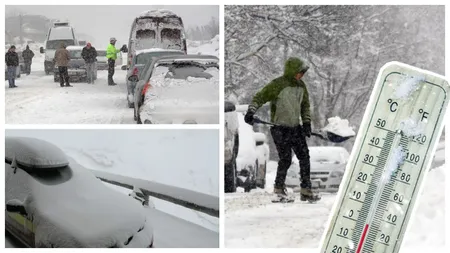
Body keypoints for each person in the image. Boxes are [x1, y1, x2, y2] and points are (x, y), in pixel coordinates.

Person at [244, 57, 320, 203]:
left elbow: (305, 106)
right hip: (280, 128)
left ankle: (306, 189)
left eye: (302, 73)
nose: (301, 76)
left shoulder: (301, 86)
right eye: (299, 73)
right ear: (292, 71)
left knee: (304, 157)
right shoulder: (278, 84)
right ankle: (278, 189)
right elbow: (260, 96)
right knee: (285, 159)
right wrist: (251, 111)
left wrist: (306, 123)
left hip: (295, 128)